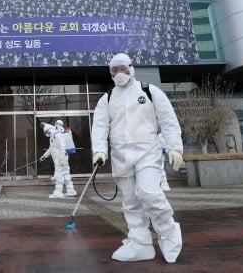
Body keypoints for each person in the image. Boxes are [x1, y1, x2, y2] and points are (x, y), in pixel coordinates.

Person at [91, 53, 184, 263]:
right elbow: (99, 127)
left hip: (147, 152)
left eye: (122, 68)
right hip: (120, 155)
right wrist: (99, 150)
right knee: (131, 201)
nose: (118, 73)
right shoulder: (106, 98)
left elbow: (168, 120)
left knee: (149, 193)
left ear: (131, 68)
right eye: (114, 70)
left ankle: (169, 234)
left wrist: (175, 148)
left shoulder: (149, 91)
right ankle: (140, 242)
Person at [40, 122, 77, 198]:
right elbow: (51, 149)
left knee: (59, 175)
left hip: (60, 159)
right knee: (66, 174)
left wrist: (62, 159)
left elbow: (62, 147)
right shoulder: (53, 136)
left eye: (46, 132)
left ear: (48, 130)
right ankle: (70, 191)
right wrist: (44, 156)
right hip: (61, 159)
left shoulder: (57, 135)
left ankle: (58, 192)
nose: (46, 134)